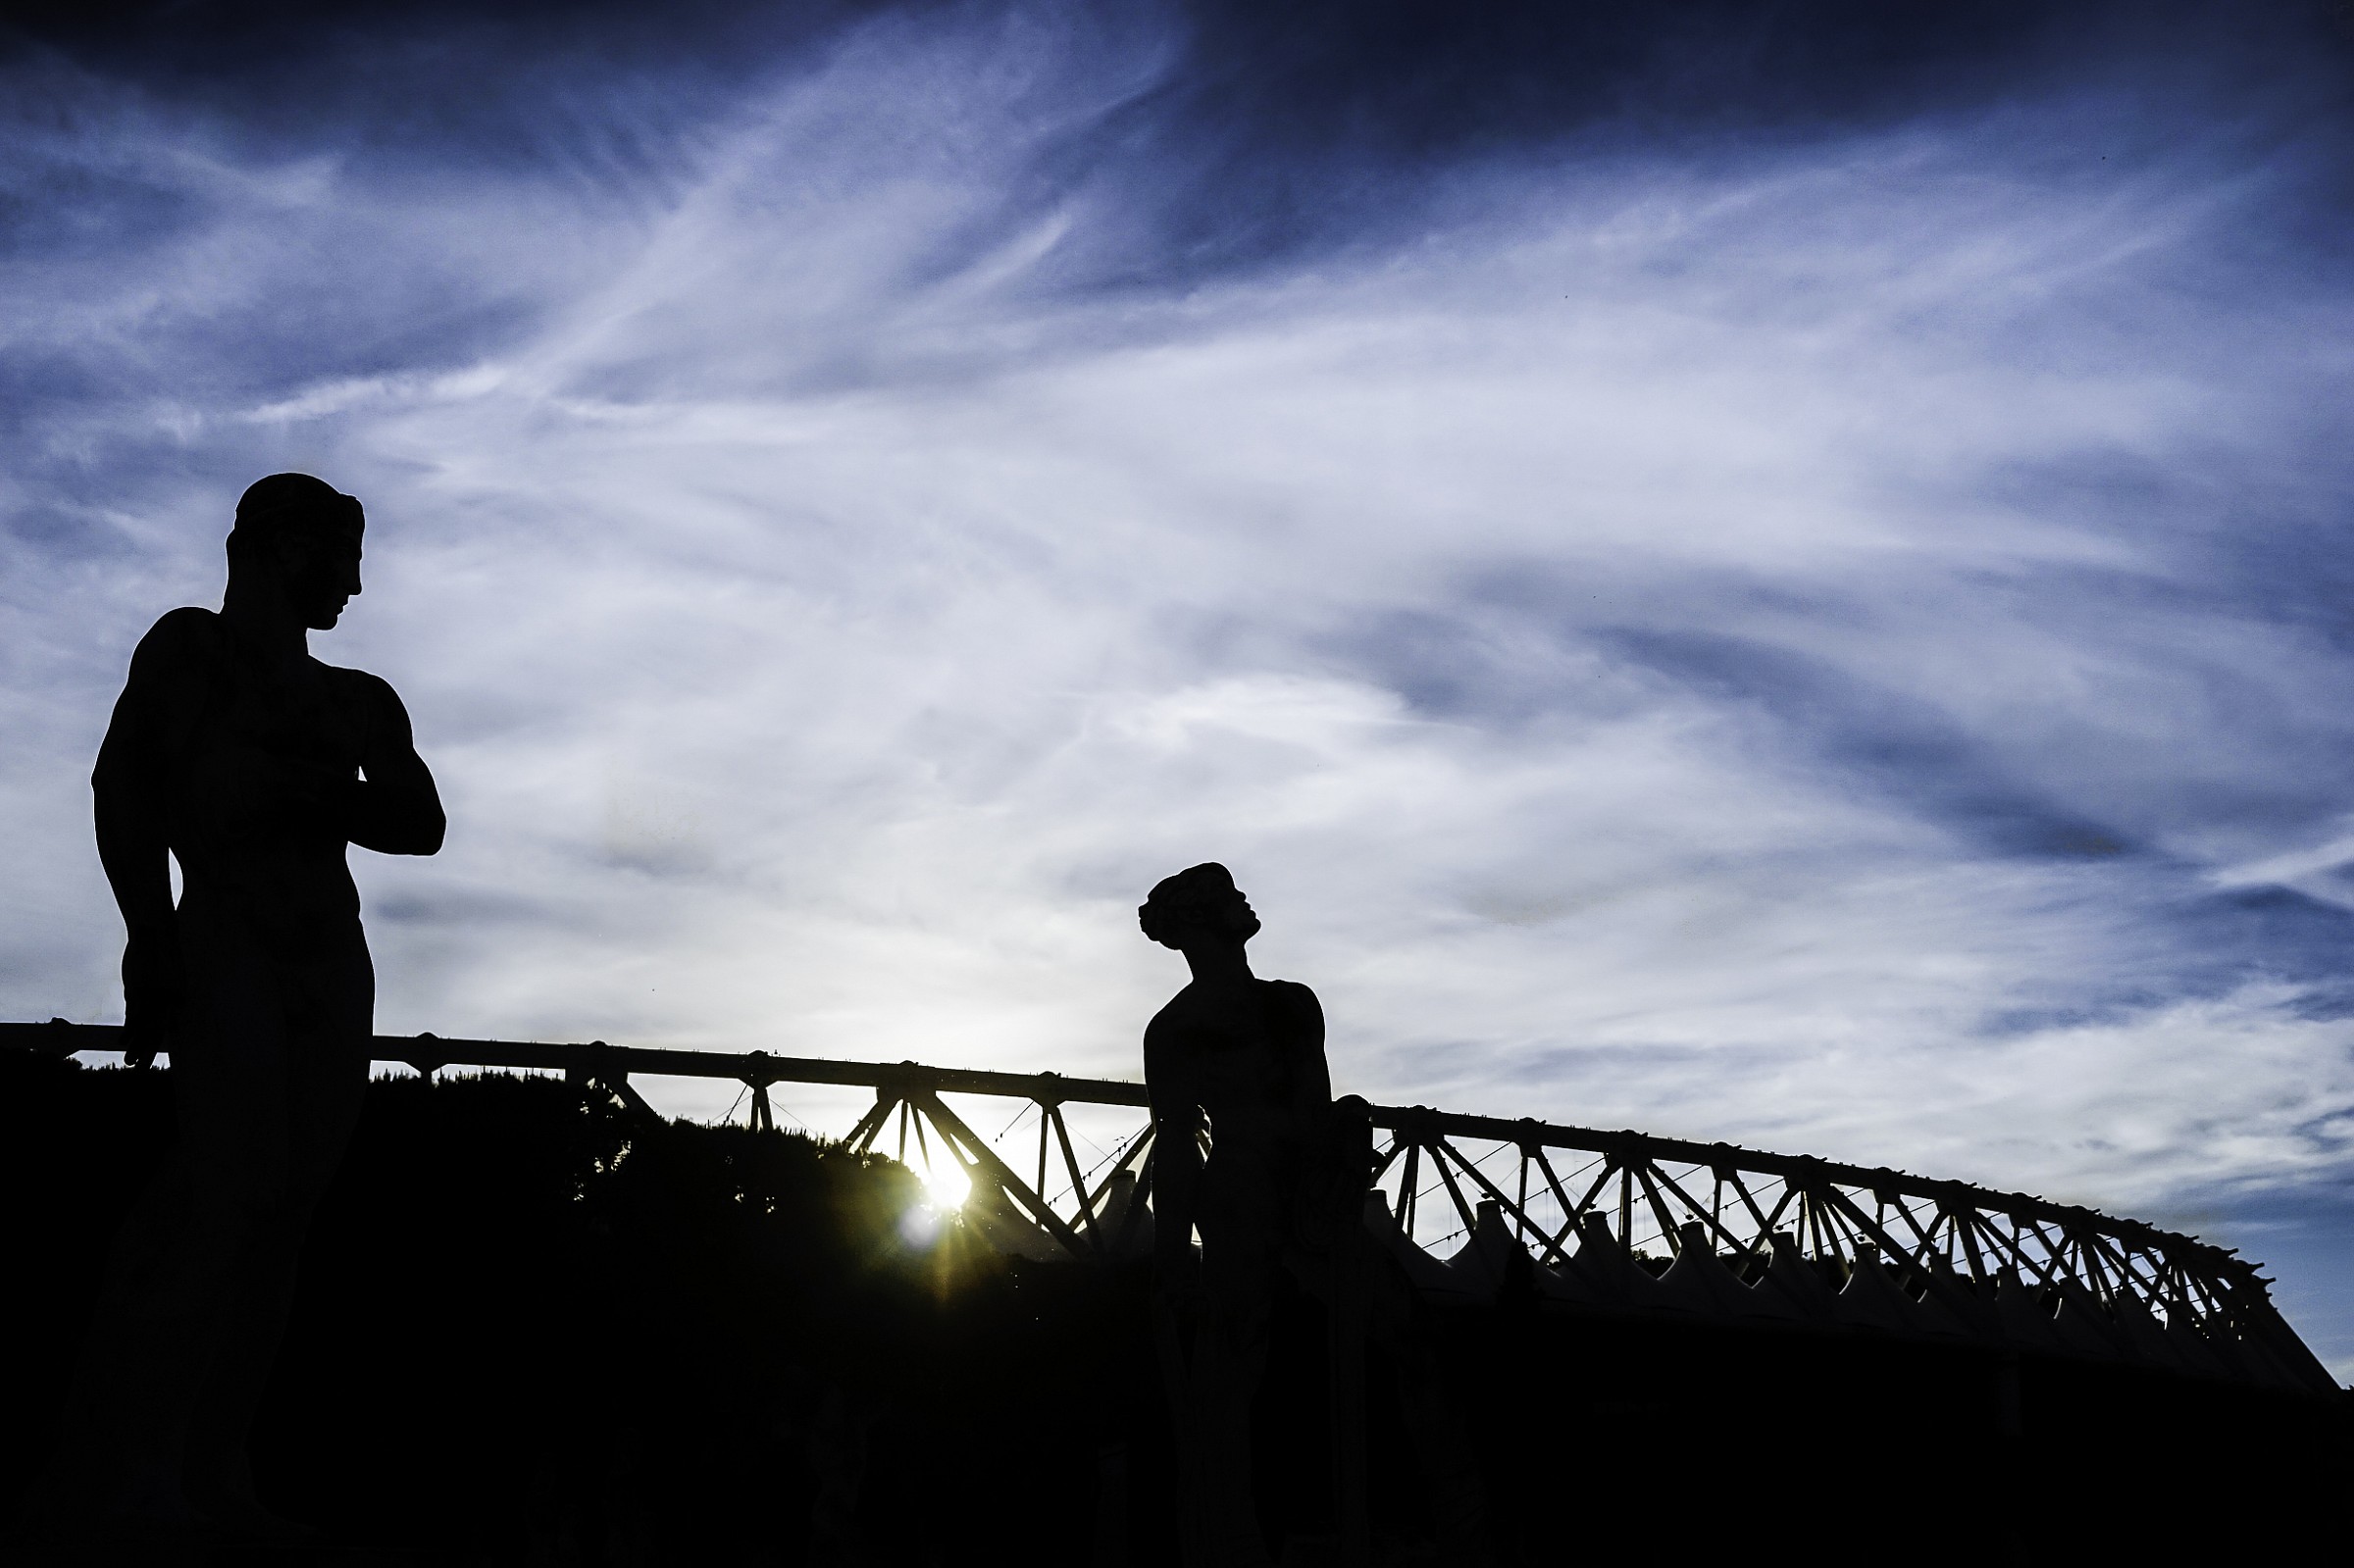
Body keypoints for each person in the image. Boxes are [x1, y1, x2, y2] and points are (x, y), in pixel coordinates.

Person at [38, 473, 444, 1550]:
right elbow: (122, 789)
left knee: (281, 1217)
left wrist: (309, 791)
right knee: (221, 1200)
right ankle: (128, 1466)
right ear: (273, 548)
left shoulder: (356, 700)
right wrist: (150, 933)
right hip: (229, 941)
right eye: (339, 554)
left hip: (330, 962)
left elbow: (420, 819)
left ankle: (212, 1467)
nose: (354, 583)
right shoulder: (191, 652)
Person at [1141, 863, 1361, 1567]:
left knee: (1391, 1331)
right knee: (1233, 1369)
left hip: (1311, 1197)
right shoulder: (1176, 1030)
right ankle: (1229, 1533)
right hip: (1241, 1200)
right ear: (1199, 920)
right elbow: (1178, 1147)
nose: (1244, 900)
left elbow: (1317, 1113)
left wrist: (1338, 1163)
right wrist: (1172, 1261)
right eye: (1230, 895)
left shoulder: (1294, 1003)